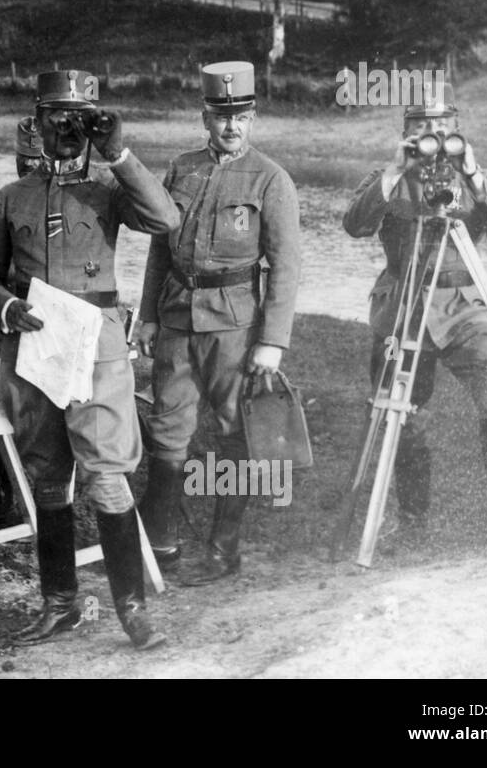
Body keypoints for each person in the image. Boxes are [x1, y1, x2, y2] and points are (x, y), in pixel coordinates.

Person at [0, 69, 179, 650]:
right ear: (36, 121)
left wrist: (118, 153)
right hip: (34, 347)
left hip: (97, 350)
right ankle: (59, 603)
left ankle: (133, 610)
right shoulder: (11, 198)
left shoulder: (110, 191)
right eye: (55, 117)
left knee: (107, 479)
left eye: (78, 119)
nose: (66, 129)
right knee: (48, 480)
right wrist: (6, 308)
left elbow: (167, 221)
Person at [137, 61, 301, 586]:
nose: (231, 126)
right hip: (176, 320)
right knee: (168, 430)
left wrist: (272, 341)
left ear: (253, 118)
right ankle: (158, 543)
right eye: (221, 115)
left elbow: (286, 266)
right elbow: (160, 252)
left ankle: (222, 549)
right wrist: (145, 316)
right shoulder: (180, 169)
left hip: (235, 325)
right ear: (204, 116)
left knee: (235, 433)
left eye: (242, 116)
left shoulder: (271, 179)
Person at [342, 83, 487, 538]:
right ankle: (411, 522)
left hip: (465, 306)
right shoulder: (385, 178)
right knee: (399, 411)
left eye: (443, 128)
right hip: (405, 306)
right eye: (422, 129)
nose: (433, 138)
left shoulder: (474, 176)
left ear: (458, 132)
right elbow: (355, 225)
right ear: (406, 133)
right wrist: (393, 171)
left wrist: (475, 177)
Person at [0, 117, 44, 534]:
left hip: (49, 325)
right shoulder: (4, 203)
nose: (29, 169)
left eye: (36, 160)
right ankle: (0, 504)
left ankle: (45, 498)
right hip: (5, 321)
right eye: (23, 160)